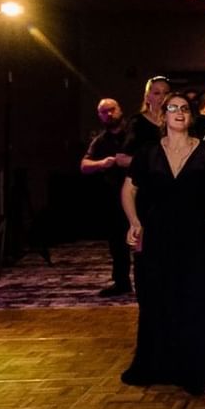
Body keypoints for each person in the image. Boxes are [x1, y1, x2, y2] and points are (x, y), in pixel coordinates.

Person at [120, 93, 205, 394]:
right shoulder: (148, 152)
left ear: (190, 116)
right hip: (159, 237)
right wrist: (134, 222)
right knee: (161, 299)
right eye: (172, 108)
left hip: (198, 237)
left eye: (184, 109)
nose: (179, 113)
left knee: (200, 301)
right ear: (162, 116)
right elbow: (128, 189)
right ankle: (163, 366)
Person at [78, 97, 135, 296]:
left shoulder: (134, 135)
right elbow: (84, 165)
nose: (109, 114)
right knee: (117, 243)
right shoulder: (101, 141)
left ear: (120, 109)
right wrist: (103, 163)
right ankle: (121, 282)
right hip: (113, 198)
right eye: (104, 112)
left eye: (112, 110)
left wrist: (129, 162)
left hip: (139, 194)